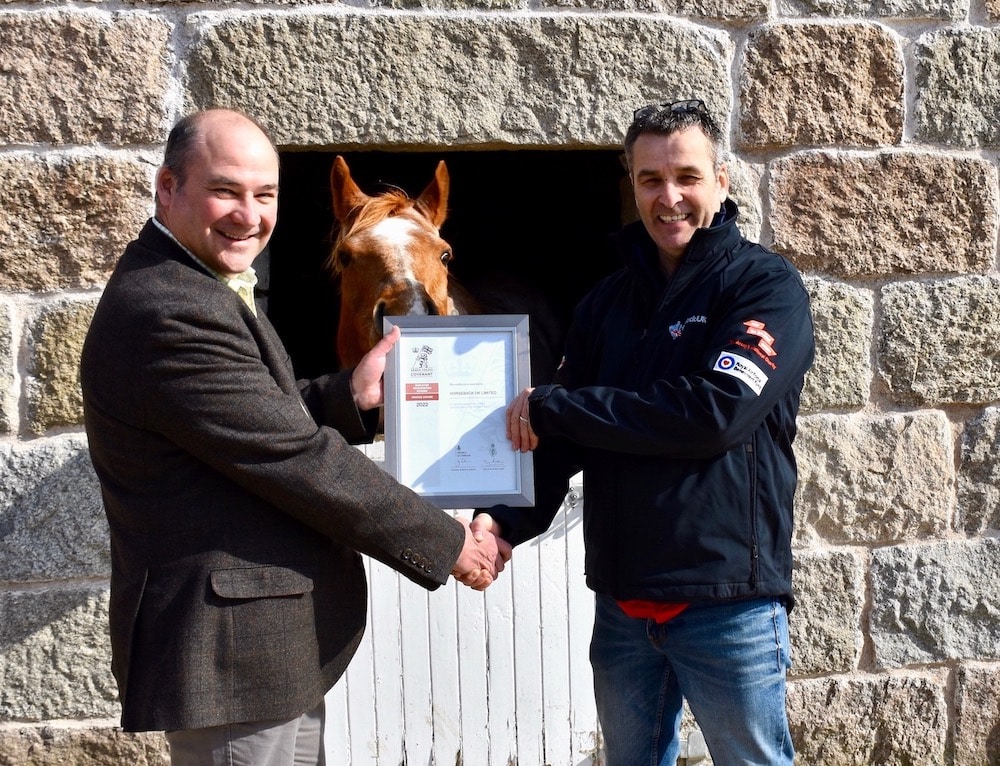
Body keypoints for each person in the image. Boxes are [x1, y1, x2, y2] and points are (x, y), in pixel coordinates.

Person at [79, 108, 504, 766]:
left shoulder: (194, 287)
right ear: (168, 188)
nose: (248, 214)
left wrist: (347, 393)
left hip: (268, 653)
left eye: (264, 195)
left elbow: (255, 419)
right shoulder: (168, 308)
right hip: (229, 658)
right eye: (225, 190)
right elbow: (294, 457)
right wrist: (448, 543)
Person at [469, 99, 815, 765]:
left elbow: (714, 414)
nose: (670, 197)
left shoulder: (763, 289)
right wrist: (499, 523)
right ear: (632, 185)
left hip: (725, 603)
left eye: (687, 176)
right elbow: (562, 441)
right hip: (625, 606)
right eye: (650, 180)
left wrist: (559, 407)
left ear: (721, 180)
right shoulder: (605, 303)